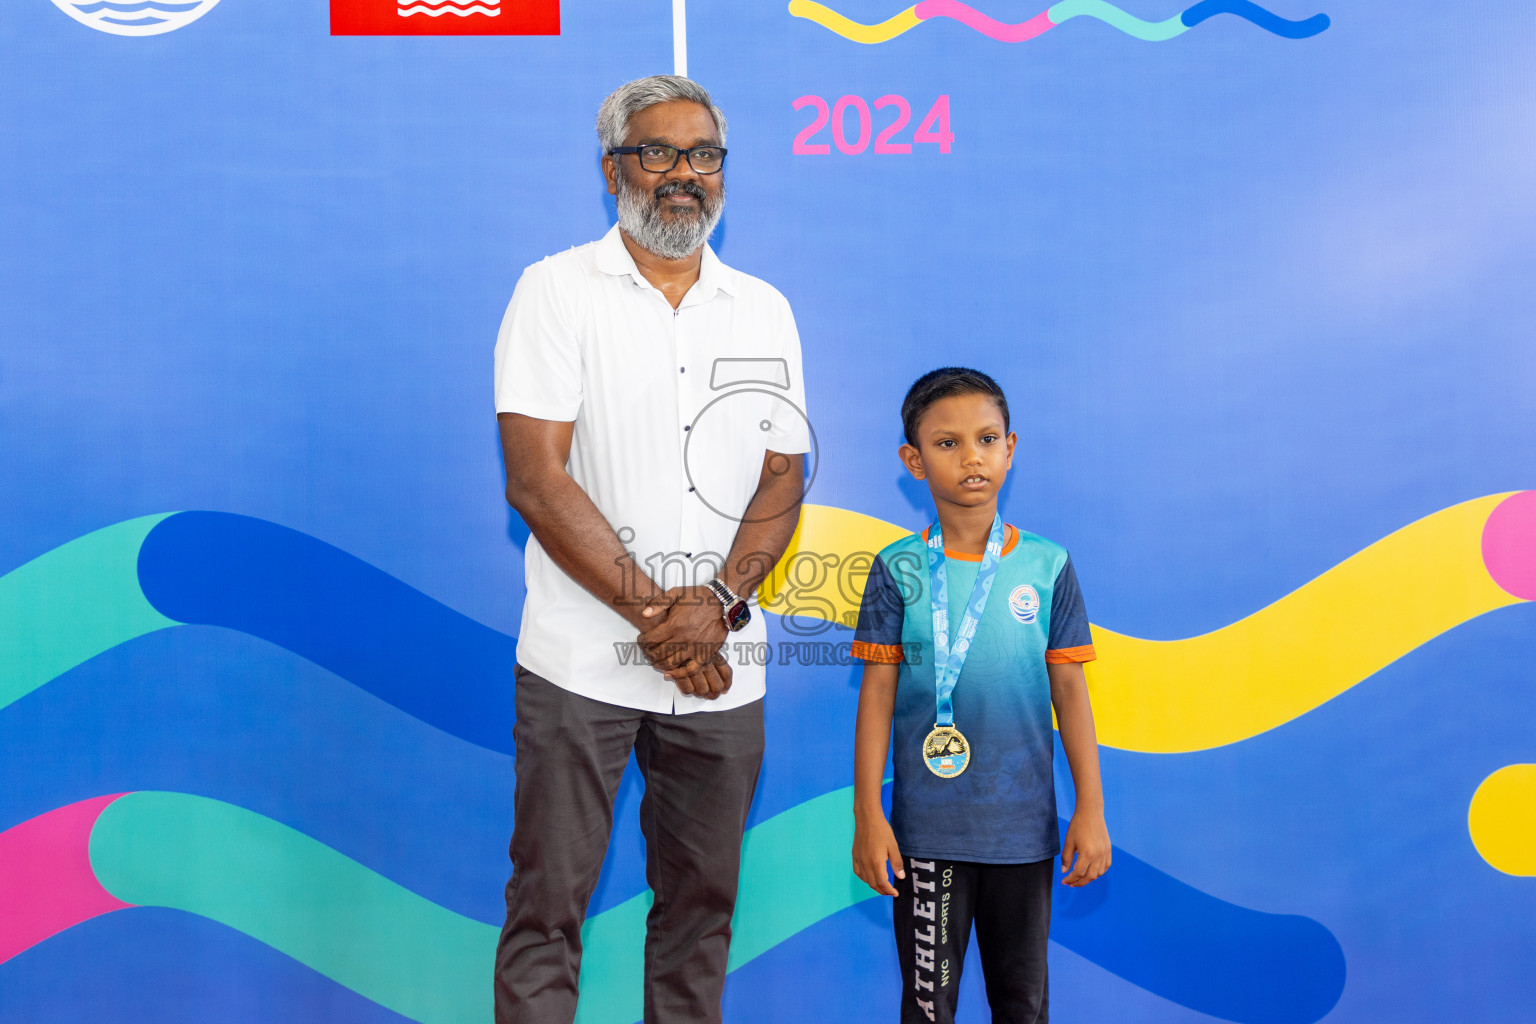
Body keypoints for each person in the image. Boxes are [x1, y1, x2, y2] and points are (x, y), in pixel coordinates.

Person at [491, 75, 811, 1024]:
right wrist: (662, 620)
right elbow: (538, 480)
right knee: (547, 911)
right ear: (611, 170)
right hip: (578, 666)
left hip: (724, 669)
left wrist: (712, 610)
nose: (683, 175)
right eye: (658, 154)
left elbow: (781, 477)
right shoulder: (554, 291)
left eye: (703, 155)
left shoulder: (764, 309)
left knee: (700, 914)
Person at [849, 367, 1110, 1024]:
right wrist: (868, 817)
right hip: (927, 836)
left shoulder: (1047, 565)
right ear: (913, 460)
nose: (972, 457)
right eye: (947, 443)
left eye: (986, 438)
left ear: (1010, 448)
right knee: (927, 1009)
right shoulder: (896, 569)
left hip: (1022, 835)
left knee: (1022, 1006)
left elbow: (1071, 695)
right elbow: (876, 696)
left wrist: (1091, 811)